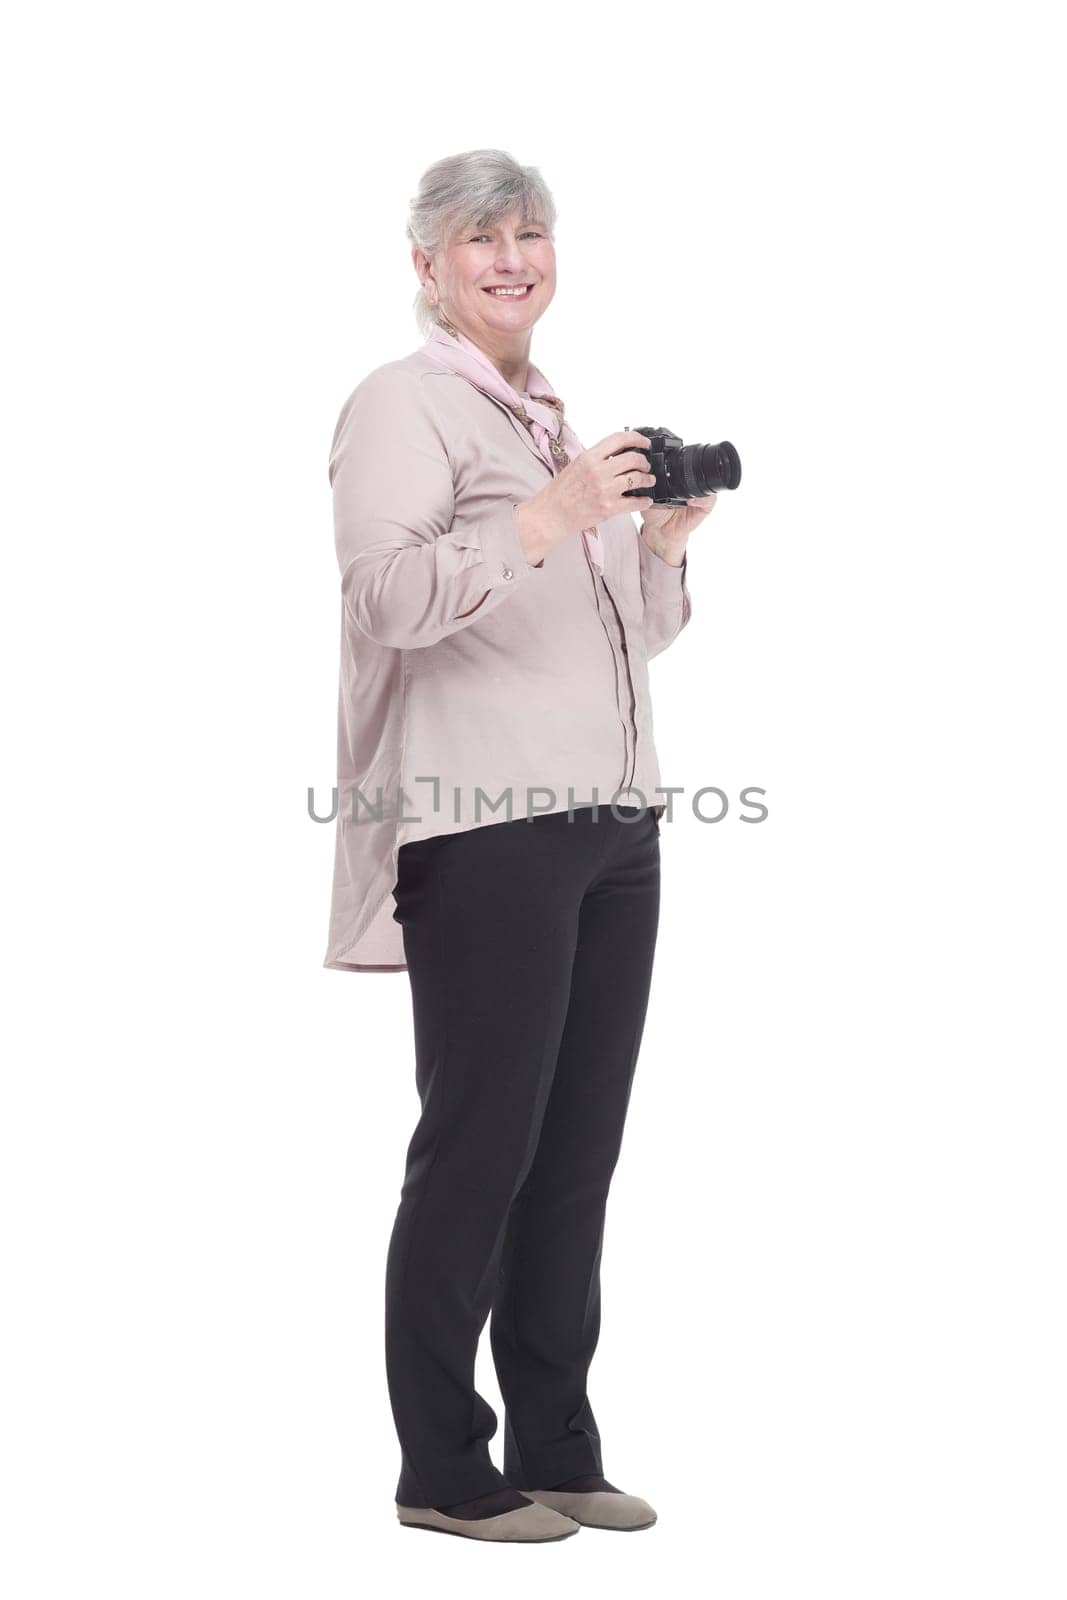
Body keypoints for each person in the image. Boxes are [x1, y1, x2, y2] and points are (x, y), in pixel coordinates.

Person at [323, 149, 719, 1543]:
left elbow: (631, 637)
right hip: (485, 825)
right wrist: (548, 522)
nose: (511, 258)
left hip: (615, 824)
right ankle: (442, 1467)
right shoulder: (403, 406)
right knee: (479, 1150)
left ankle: (559, 1443)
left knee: (576, 1154)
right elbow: (385, 597)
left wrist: (659, 545)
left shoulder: (553, 419)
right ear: (427, 265)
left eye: (531, 233)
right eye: (479, 238)